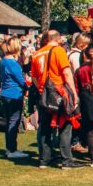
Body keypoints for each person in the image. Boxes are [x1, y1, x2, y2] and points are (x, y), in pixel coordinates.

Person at [30, 29, 80, 170]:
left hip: (44, 94)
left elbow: (34, 77)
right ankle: (66, 160)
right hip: (59, 92)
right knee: (65, 125)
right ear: (57, 39)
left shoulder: (37, 53)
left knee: (44, 126)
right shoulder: (58, 51)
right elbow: (66, 72)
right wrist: (73, 93)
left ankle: (44, 159)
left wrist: (41, 88)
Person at [0, 36, 27, 159]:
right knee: (13, 122)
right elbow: (21, 80)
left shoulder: (4, 61)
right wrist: (27, 88)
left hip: (5, 93)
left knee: (10, 121)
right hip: (14, 94)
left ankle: (10, 148)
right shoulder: (12, 63)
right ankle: (11, 149)